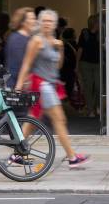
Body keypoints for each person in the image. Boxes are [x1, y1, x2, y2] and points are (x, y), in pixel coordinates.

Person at [14, 9, 90, 168]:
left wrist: (61, 48)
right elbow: (27, 64)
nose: (48, 24)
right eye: (45, 21)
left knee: (32, 121)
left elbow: (58, 65)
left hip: (50, 84)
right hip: (42, 85)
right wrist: (19, 85)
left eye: (50, 21)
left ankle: (15, 155)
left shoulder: (55, 42)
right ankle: (72, 157)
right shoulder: (36, 41)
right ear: (40, 23)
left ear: (55, 24)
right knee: (59, 120)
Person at [5, 7, 37, 90]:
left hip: (24, 85)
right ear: (23, 22)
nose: (35, 21)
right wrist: (22, 85)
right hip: (17, 86)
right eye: (32, 19)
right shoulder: (17, 39)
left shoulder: (29, 38)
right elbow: (19, 64)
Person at [76, 15, 100, 117]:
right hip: (85, 63)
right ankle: (91, 109)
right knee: (88, 86)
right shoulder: (85, 32)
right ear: (94, 23)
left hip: (98, 63)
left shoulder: (101, 34)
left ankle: (94, 107)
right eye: (99, 22)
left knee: (98, 86)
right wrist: (76, 65)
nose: (101, 24)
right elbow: (80, 49)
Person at [60, 28, 78, 99]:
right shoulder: (73, 44)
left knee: (63, 88)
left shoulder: (61, 43)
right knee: (69, 87)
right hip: (71, 70)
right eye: (74, 33)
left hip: (62, 70)